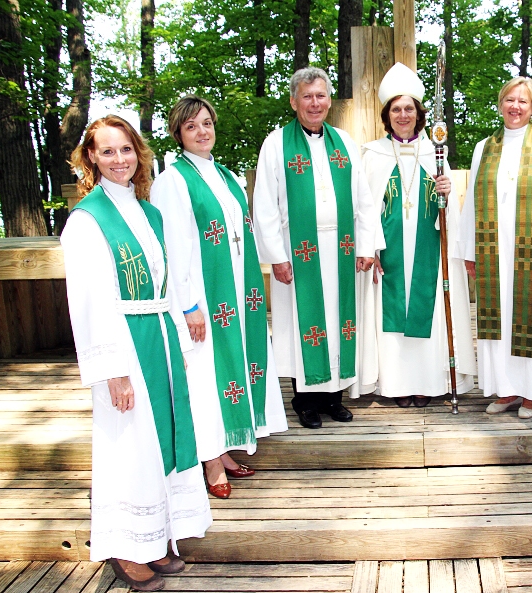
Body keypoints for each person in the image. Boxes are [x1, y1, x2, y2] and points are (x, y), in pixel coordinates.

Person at [62, 115, 212, 591]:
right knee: (128, 445)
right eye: (107, 151)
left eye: (126, 149)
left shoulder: (150, 213)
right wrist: (113, 370)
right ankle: (126, 547)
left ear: (138, 153)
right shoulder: (87, 221)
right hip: (124, 345)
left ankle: (156, 535)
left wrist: (180, 344)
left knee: (159, 442)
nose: (119, 159)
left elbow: (169, 286)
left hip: (160, 335)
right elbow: (89, 301)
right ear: (91, 157)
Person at [151, 95, 289, 500]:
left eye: (207, 123)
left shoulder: (226, 176)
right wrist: (188, 305)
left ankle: (225, 447)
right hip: (202, 300)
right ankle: (210, 461)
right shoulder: (172, 181)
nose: (202, 132)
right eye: (191, 125)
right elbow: (172, 249)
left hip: (237, 296)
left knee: (229, 369)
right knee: (206, 377)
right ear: (178, 133)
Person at [253, 67, 376, 429]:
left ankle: (334, 397)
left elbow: (364, 199)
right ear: (294, 102)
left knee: (339, 322)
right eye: (307, 96)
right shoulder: (276, 143)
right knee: (303, 324)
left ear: (329, 100)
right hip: (299, 251)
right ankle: (305, 401)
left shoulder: (344, 141)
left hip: (341, 248)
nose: (315, 103)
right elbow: (265, 205)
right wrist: (276, 257)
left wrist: (366, 245)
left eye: (320, 95)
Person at [458, 77, 532, 418]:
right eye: (510, 99)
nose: (515, 106)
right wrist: (470, 251)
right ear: (501, 104)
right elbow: (472, 203)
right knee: (499, 322)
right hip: (493, 250)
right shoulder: (484, 147)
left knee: (531, 319)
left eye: (523, 101)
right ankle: (506, 389)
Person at [361, 63, 476, 407]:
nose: (403, 115)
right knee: (391, 317)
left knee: (430, 312)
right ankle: (396, 385)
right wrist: (370, 247)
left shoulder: (435, 154)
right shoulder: (373, 155)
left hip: (430, 254)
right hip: (389, 253)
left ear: (419, 114)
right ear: (387, 115)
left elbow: (450, 213)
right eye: (396, 109)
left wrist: (446, 192)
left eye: (409, 108)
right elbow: (364, 207)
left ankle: (427, 383)